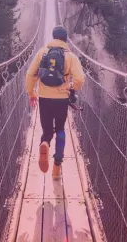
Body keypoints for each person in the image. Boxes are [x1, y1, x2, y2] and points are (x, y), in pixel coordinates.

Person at [25, 25, 85, 179]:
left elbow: (30, 74)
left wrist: (32, 93)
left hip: (44, 98)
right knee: (60, 130)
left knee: (47, 130)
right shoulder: (71, 57)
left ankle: (44, 143)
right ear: (65, 40)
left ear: (52, 37)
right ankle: (56, 167)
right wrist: (72, 88)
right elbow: (79, 79)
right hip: (61, 100)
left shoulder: (42, 52)